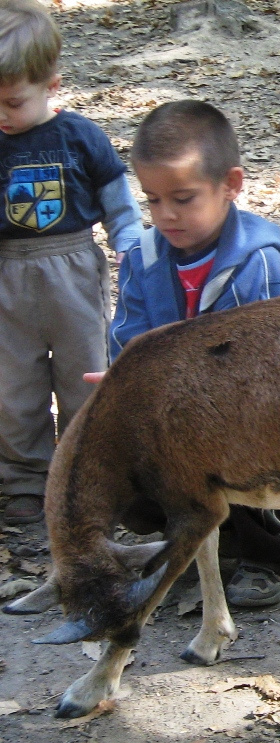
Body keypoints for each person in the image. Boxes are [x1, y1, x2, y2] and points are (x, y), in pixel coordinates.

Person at [106, 99, 280, 608]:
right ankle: (197, 544)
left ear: (231, 185)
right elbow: (128, 339)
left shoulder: (257, 263)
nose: (165, 214)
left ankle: (271, 554)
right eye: (151, 200)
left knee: (230, 469)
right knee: (121, 471)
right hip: (172, 418)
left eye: (183, 198)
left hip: (248, 423)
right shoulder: (143, 258)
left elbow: (271, 365)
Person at [0, 0, 142, 525]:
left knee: (83, 374)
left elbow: (119, 203)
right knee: (13, 387)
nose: (2, 115)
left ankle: (85, 474)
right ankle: (25, 478)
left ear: (51, 85)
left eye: (13, 102)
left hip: (72, 268)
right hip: (7, 275)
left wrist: (131, 246)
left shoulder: (81, 136)